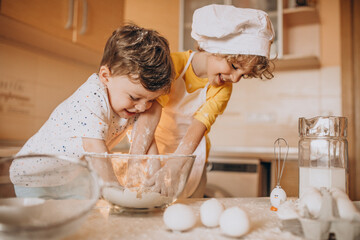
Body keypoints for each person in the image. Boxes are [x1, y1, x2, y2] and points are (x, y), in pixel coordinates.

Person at [10, 24, 174, 198]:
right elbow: (96, 150)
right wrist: (116, 191)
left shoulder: (130, 109)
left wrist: (156, 177)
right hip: (32, 177)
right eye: (135, 97)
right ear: (105, 76)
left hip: (69, 178)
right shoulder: (91, 97)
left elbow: (146, 141)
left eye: (150, 100)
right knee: (42, 222)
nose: (142, 107)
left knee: (82, 221)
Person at [129, 4, 275, 198]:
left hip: (190, 158)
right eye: (234, 66)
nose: (236, 78)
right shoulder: (172, 66)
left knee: (189, 210)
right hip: (152, 148)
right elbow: (149, 116)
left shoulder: (222, 89)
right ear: (214, 48)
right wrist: (145, 159)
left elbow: (198, 126)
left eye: (243, 74)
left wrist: (176, 164)